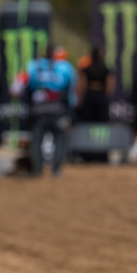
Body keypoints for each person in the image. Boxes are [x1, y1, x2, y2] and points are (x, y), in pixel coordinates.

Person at [26, 45, 77, 177]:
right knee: (59, 140)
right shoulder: (65, 67)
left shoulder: (33, 66)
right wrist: (71, 110)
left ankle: (37, 169)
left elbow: (25, 86)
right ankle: (56, 170)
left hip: (38, 110)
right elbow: (71, 91)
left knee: (37, 140)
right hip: (57, 110)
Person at [77, 46, 114, 122]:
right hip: (100, 97)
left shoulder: (87, 70)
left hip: (90, 97)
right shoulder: (106, 70)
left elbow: (81, 86)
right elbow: (109, 88)